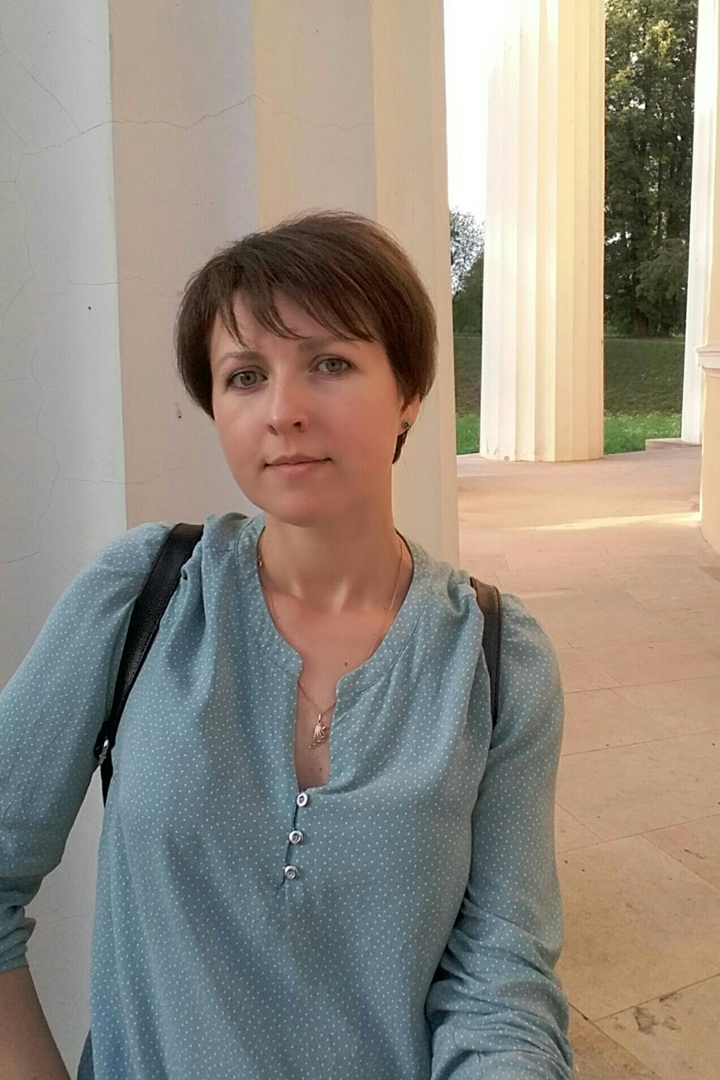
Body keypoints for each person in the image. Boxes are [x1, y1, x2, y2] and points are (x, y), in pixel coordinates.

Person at [0, 210, 575, 1080]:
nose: (284, 413)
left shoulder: (498, 662)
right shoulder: (143, 594)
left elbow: (501, 984)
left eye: (330, 363)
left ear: (410, 392)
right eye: (245, 376)